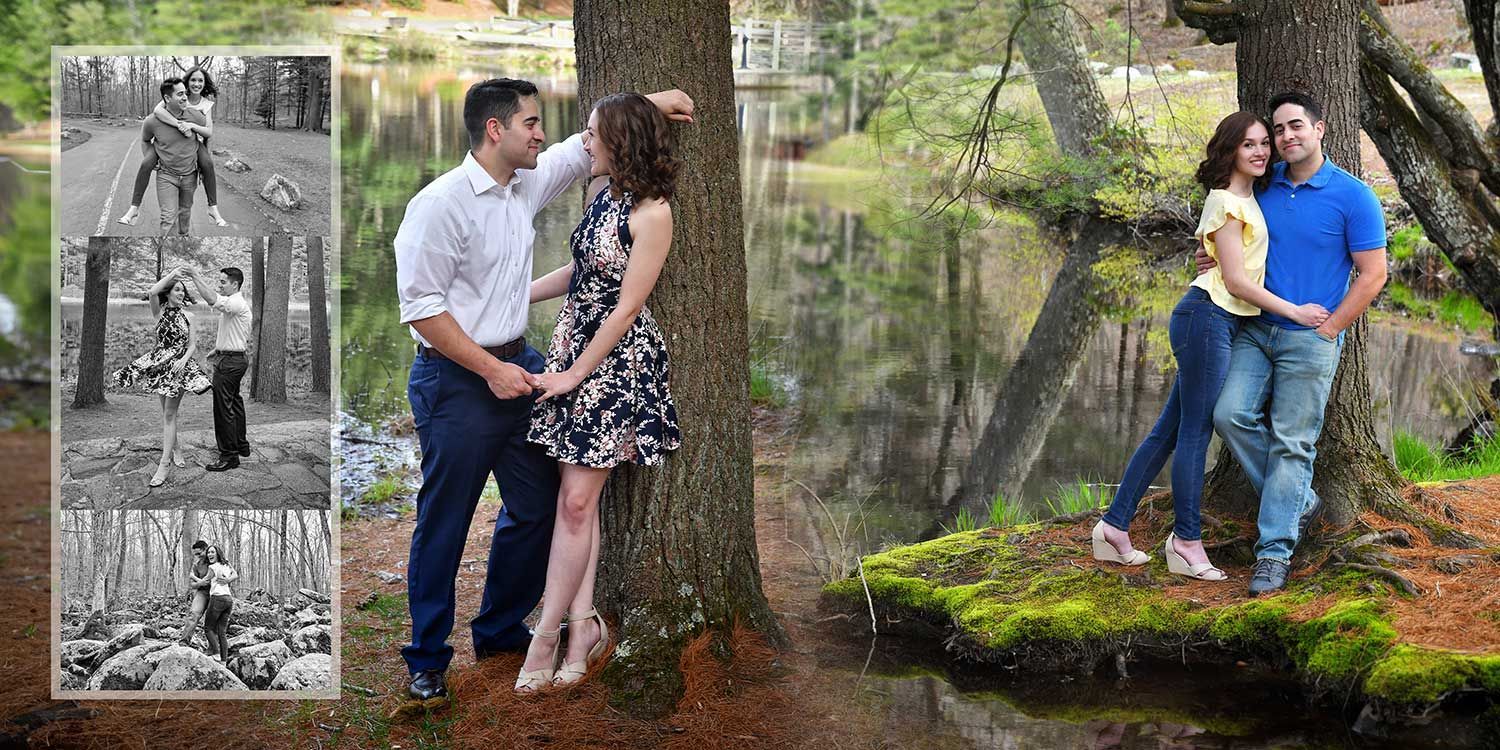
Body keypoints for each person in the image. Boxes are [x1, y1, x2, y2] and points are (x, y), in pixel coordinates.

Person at [393, 78, 693, 705]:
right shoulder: (439, 205)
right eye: (531, 122)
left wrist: (652, 104)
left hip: (525, 370)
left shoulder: (525, 180)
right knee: (444, 522)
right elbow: (421, 309)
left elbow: (595, 146)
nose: (543, 134)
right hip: (459, 382)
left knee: (537, 507)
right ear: (496, 130)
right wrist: (488, 369)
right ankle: (426, 659)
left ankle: (500, 629)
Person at [1091, 112, 1330, 581]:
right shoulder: (1225, 201)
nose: (1262, 151)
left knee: (1169, 430)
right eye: (1249, 145)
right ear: (1229, 152)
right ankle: (1186, 541)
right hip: (1208, 319)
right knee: (1196, 433)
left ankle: (1114, 528)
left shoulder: (1250, 195)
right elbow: (1238, 282)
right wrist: (1295, 312)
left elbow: (1229, 261)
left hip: (1216, 319)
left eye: (1265, 142)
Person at [517, 92, 683, 691]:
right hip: (576, 351)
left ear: (621, 142)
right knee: (575, 503)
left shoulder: (653, 213)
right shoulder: (601, 193)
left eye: (592, 135)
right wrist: (513, 297)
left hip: (614, 365)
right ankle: (581, 625)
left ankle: (546, 638)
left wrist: (573, 374)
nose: (583, 143)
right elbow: (581, 273)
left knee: (578, 504)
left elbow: (627, 306)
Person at [1197, 91, 1388, 595]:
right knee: (1229, 413)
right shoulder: (1264, 185)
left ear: (1320, 129)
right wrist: (1209, 259)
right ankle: (1299, 500)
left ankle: (1274, 552)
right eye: (1278, 130)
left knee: (1291, 441)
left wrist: (1329, 328)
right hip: (1255, 329)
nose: (1285, 137)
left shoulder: (1354, 196)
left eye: (1295, 127)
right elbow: (1232, 236)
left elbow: (1373, 276)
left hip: (1311, 337)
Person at [110, 268, 212, 487]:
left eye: (183, 291)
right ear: (169, 292)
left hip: (179, 367)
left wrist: (184, 359)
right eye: (177, 289)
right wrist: (174, 273)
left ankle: (164, 464)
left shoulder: (190, 316)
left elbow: (193, 344)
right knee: (166, 413)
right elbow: (152, 291)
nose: (181, 293)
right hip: (159, 366)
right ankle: (176, 448)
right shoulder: (158, 312)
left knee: (169, 414)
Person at [118, 66, 227, 228]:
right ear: (187, 82)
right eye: (193, 80)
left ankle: (213, 207)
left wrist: (190, 125)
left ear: (204, 84)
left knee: (208, 164)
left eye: (200, 81)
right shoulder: (179, 93)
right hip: (167, 156)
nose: (196, 84)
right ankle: (134, 208)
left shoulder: (204, 105)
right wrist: (178, 124)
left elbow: (208, 132)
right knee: (146, 163)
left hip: (194, 143)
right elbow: (157, 111)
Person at [183, 266, 253, 472]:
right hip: (233, 358)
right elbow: (236, 333)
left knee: (223, 410)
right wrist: (218, 349)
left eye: (223, 282)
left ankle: (229, 456)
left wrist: (195, 275)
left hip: (230, 364)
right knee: (235, 403)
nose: (219, 285)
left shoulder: (236, 302)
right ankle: (241, 445)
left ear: (235, 284)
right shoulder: (237, 304)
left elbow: (212, 299)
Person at [134, 78, 208, 235]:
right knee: (168, 219)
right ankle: (167, 249)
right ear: (167, 98)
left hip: (190, 176)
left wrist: (204, 164)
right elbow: (145, 140)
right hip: (166, 176)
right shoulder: (152, 121)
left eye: (185, 93)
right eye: (180, 94)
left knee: (185, 211)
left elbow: (208, 134)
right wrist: (149, 157)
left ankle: (184, 237)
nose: (185, 97)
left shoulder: (196, 117)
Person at [202, 544, 238, 662]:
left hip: (217, 599)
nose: (210, 554)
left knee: (208, 628)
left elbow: (205, 581)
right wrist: (228, 580)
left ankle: (216, 653)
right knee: (221, 632)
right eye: (208, 553)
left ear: (217, 553)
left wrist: (193, 578)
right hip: (228, 600)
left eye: (212, 552)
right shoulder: (226, 565)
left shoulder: (214, 567)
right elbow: (235, 574)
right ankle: (223, 662)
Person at [179, 540, 211, 645]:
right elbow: (192, 584)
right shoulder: (197, 564)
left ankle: (214, 647)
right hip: (202, 592)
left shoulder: (216, 559)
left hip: (216, 593)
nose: (198, 556)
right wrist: (200, 583)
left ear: (206, 549)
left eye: (199, 553)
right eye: (195, 554)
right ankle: (184, 642)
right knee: (193, 614)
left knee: (212, 620)